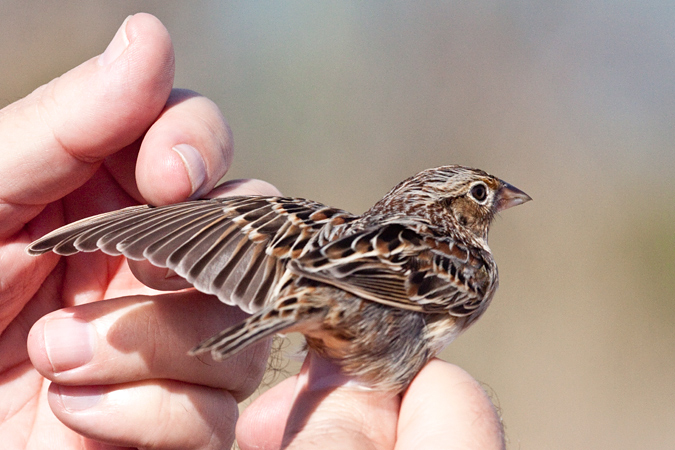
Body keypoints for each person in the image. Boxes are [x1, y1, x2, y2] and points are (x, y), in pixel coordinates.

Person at [0, 13, 504, 450]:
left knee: (252, 211)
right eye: (482, 193)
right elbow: (385, 282)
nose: (501, 198)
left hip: (311, 295)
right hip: (359, 309)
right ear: (448, 208)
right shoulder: (469, 265)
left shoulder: (317, 226)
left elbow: (242, 226)